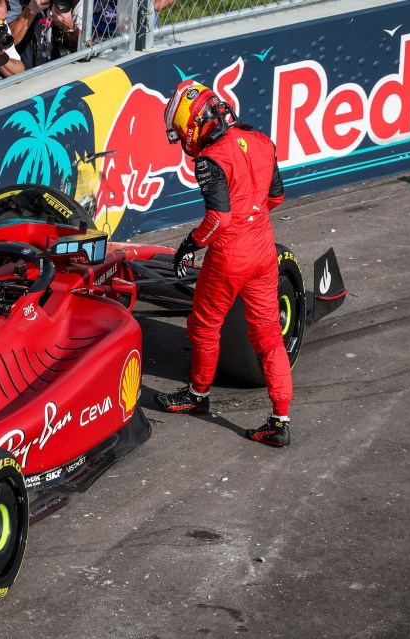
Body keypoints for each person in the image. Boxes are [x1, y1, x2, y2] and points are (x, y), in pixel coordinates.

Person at [154, 81, 292, 447]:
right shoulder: (261, 140)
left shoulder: (210, 159)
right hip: (263, 248)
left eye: (182, 132)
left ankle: (197, 396)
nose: (183, 140)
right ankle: (280, 420)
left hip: (230, 254)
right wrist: (253, 213)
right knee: (269, 334)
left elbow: (218, 218)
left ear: (194, 124)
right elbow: (277, 197)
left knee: (203, 324)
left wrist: (188, 245)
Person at [7, 0, 82, 70]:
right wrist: (30, 10)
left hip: (64, 69)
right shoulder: (18, 1)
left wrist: (69, 25)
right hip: (25, 73)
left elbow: (84, 45)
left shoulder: (76, 2)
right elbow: (8, 41)